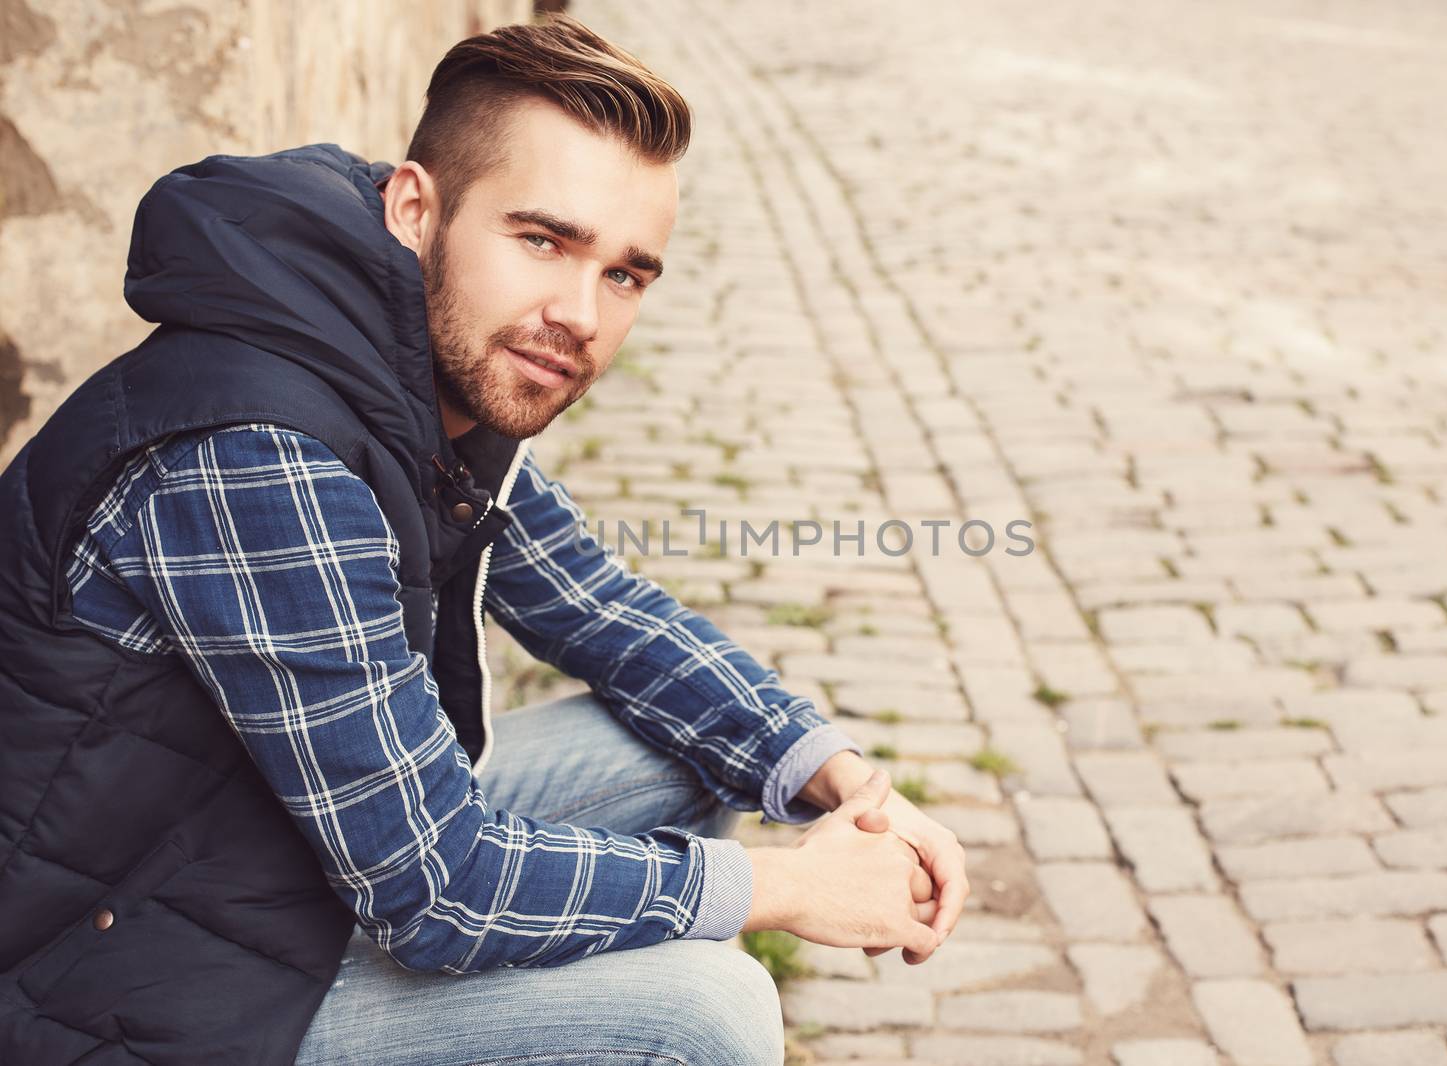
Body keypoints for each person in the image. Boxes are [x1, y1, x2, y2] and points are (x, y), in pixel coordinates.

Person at [0, 14, 968, 1066]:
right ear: (415, 208)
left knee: (681, 748)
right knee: (705, 1007)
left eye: (625, 274)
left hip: (253, 862)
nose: (578, 314)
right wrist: (783, 887)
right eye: (542, 240)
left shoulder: (415, 369)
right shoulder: (262, 456)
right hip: (100, 974)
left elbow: (595, 606)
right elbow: (434, 887)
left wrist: (834, 773)